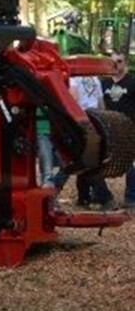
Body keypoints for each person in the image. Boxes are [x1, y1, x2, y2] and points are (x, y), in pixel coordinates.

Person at [60, 69, 114, 209]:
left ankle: (105, 198)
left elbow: (73, 99)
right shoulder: (95, 78)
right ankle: (83, 197)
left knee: (87, 161)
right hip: (96, 119)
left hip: (82, 120)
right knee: (87, 157)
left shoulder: (74, 79)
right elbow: (101, 103)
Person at [103, 52, 135, 208]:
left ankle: (131, 197)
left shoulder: (132, 82)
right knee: (95, 160)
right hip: (108, 129)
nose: (116, 65)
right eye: (112, 62)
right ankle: (98, 196)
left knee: (132, 164)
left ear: (125, 62)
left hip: (130, 129)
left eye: (119, 61)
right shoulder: (104, 82)